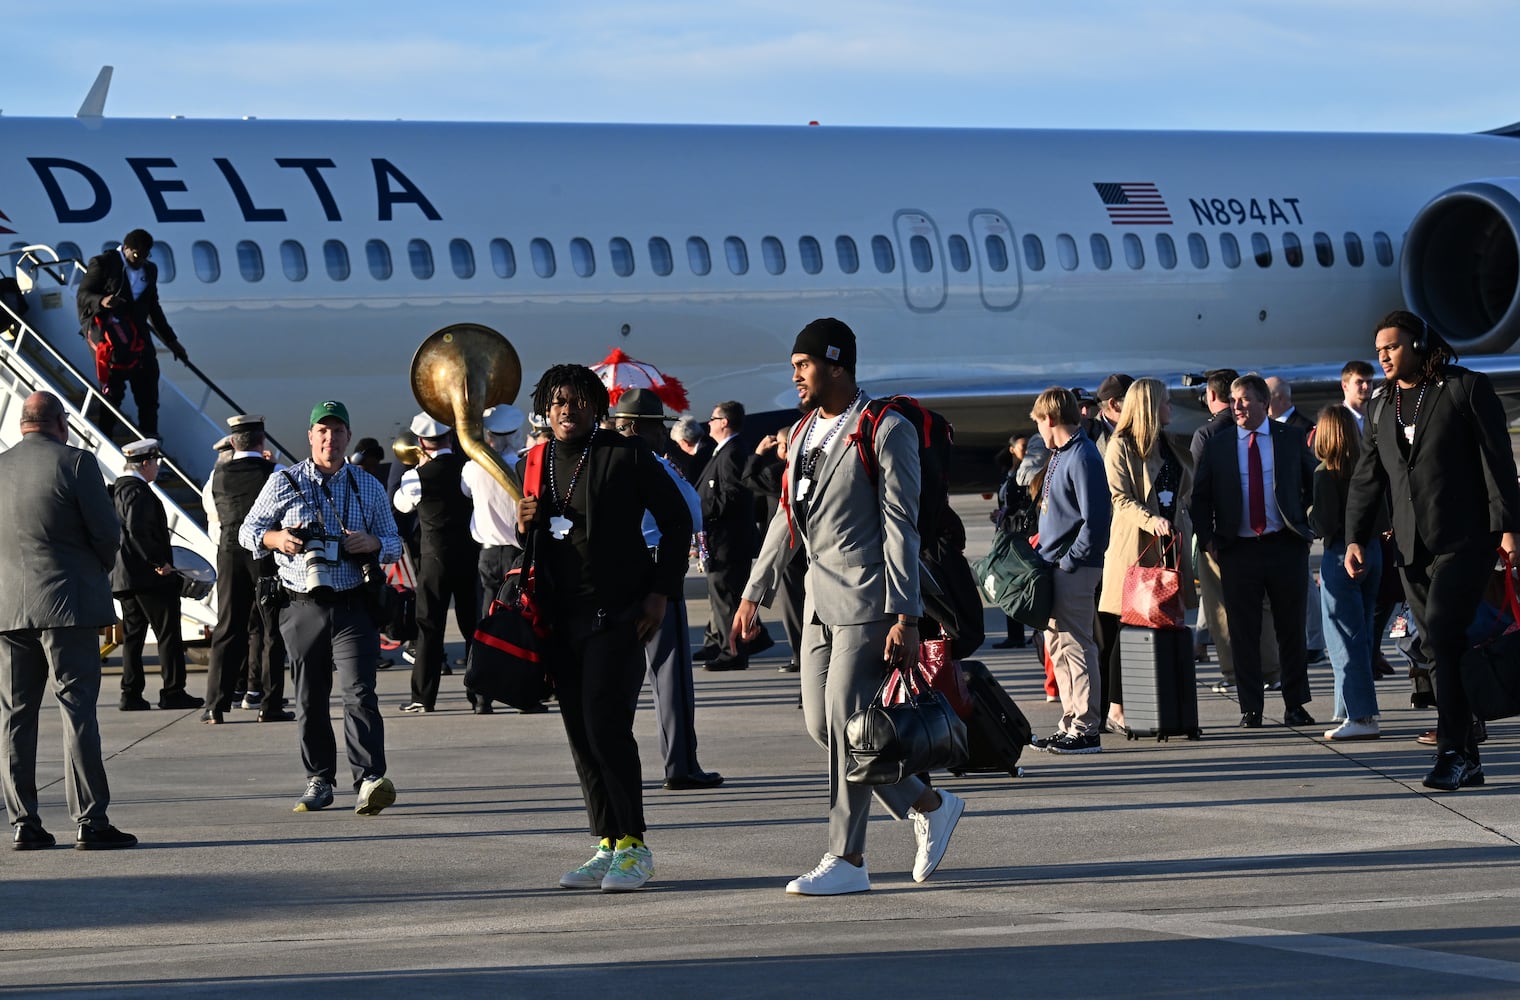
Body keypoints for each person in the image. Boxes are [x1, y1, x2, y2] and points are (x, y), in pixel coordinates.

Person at [732, 317, 966, 896]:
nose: (796, 377)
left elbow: (901, 527)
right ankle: (930, 804)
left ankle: (848, 858)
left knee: (845, 724)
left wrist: (907, 615)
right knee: (825, 727)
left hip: (869, 600)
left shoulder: (884, 429)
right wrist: (752, 590)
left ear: (837, 365)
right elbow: (790, 515)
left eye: (803, 365)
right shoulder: (806, 429)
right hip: (817, 602)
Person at [518, 365, 692, 893]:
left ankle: (635, 844)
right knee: (578, 731)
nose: (567, 409)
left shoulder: (626, 453)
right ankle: (607, 841)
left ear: (597, 406)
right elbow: (533, 539)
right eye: (557, 401)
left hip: (617, 614)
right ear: (546, 409)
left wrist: (662, 592)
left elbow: (678, 519)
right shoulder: (537, 460)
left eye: (577, 401)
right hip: (559, 616)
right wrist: (524, 519)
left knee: (604, 724)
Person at [1345, 311, 1520, 790]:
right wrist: (1355, 537)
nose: (1382, 355)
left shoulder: (1465, 389)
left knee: (1443, 632)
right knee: (1440, 648)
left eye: (1393, 346)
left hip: (1466, 539)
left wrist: (1509, 529)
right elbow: (1367, 478)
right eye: (1378, 348)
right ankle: (1469, 756)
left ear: (1419, 345)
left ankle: (1451, 750)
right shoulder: (1381, 407)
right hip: (1411, 548)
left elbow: (1497, 463)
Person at [240, 400, 402, 815]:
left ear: (348, 436)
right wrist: (278, 540)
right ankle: (319, 780)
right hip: (301, 604)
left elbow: (395, 540)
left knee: (360, 692)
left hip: (352, 604)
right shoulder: (284, 482)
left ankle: (369, 780)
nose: (330, 439)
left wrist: (374, 543)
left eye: (338, 431)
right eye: (323, 432)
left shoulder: (366, 484)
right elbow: (247, 531)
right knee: (310, 697)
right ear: (311, 437)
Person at [1, 391, 136, 850]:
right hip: (66, 607)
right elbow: (106, 534)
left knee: (15, 717)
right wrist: (91, 569)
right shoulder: (76, 463)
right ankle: (90, 821)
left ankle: (23, 822)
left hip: (8, 611)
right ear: (60, 422)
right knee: (76, 710)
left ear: (23, 423)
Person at [1191, 373, 1318, 729]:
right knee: (1242, 632)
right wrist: (1210, 538)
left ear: (1265, 403)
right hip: (1238, 549)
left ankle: (1296, 704)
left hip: (1284, 546)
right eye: (1234, 401)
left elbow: (1315, 484)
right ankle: (1251, 708)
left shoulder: (1290, 439)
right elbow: (1199, 497)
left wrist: (1307, 526)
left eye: (1246, 400)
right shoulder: (1220, 443)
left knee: (1291, 630)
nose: (1238, 407)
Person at [612, 388, 723, 789]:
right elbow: (692, 512)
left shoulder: (599, 462)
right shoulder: (655, 464)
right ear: (642, 429)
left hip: (614, 576)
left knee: (617, 680)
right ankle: (680, 765)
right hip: (656, 568)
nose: (664, 435)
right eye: (658, 427)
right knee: (669, 676)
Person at [1097, 378, 1195, 734]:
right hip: (1136, 550)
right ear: (1150, 407)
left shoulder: (1168, 444)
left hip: (1168, 549)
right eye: (1166, 402)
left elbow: (1181, 492)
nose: (1172, 408)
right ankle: (1116, 708)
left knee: (1166, 626)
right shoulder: (1120, 446)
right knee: (1128, 628)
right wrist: (1151, 519)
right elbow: (1120, 498)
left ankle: (1160, 702)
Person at [1028, 387, 1113, 754]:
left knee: (1077, 645)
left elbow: (1097, 519)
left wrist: (1070, 560)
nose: (1038, 431)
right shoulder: (1061, 454)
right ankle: (1071, 721)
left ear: (1049, 418)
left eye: (1037, 422)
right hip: (1055, 565)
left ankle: (1087, 727)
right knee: (1058, 645)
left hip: (1072, 568)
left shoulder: (1081, 455)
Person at [1189, 368, 1282, 694]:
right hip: (1262, 534)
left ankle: (1233, 672)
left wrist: (1207, 536)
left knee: (1222, 607)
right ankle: (1270, 669)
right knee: (1265, 605)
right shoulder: (1264, 430)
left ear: (1211, 396)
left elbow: (1200, 490)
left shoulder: (1208, 436)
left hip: (1223, 536)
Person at [202, 415, 292, 724]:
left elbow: (213, 512)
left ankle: (214, 705)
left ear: (232, 442)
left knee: (227, 627)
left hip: (228, 553)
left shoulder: (217, 476)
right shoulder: (275, 472)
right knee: (271, 628)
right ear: (261, 441)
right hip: (265, 553)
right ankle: (270, 704)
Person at [394, 412, 480, 714]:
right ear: (449, 437)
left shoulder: (415, 476)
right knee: (473, 627)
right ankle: (480, 696)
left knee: (429, 628)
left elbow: (401, 505)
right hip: (469, 555)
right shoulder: (468, 468)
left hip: (434, 558)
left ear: (420, 441)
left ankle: (423, 697)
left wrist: (417, 469)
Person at [110, 439, 203, 712]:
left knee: (133, 637)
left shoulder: (116, 490)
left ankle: (131, 694)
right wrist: (159, 561)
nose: (157, 470)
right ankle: (173, 691)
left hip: (125, 577)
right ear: (146, 463)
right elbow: (138, 530)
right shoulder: (138, 492)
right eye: (156, 464)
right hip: (148, 577)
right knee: (168, 633)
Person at [75, 229, 189, 438]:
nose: (141, 260)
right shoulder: (103, 263)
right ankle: (105, 436)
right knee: (113, 391)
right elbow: (83, 295)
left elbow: (153, 308)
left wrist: (172, 341)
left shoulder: (149, 270)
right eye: (137, 255)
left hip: (137, 336)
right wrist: (102, 301)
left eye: (146, 256)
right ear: (126, 249)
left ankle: (150, 438)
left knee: (148, 384)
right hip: (109, 336)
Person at [1311, 405, 1382, 741]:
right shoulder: (1367, 468)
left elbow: (1323, 523)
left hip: (1341, 554)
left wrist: (1308, 515)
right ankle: (1346, 707)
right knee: (1363, 634)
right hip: (1374, 552)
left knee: (1343, 639)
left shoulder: (1326, 473)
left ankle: (1361, 715)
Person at [461, 405, 527, 713]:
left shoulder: (473, 468)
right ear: (515, 434)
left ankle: (481, 697)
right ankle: (526, 692)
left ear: (488, 434)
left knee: (484, 624)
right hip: (517, 555)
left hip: (486, 554)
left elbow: (465, 492)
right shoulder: (524, 468)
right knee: (523, 623)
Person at [695, 401, 760, 670]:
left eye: (712, 418)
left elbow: (734, 495)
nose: (707, 423)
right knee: (723, 596)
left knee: (727, 598)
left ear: (724, 422)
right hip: (720, 540)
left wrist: (702, 511)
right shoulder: (723, 451)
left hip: (728, 542)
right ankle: (731, 643)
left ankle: (733, 652)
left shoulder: (732, 452)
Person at [991, 435, 1033, 649]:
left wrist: (1007, 516)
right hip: (1007, 534)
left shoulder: (1027, 474)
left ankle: (1029, 633)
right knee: (1010, 586)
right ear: (1012, 449)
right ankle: (1015, 634)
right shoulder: (1008, 474)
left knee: (1024, 585)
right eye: (1022, 447)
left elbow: (1027, 508)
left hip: (1019, 536)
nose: (1025, 451)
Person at [1340, 360, 1376, 434]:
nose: (1366, 386)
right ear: (1345, 386)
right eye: (1359, 382)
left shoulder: (1377, 417)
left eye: (1369, 382)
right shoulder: (1336, 419)